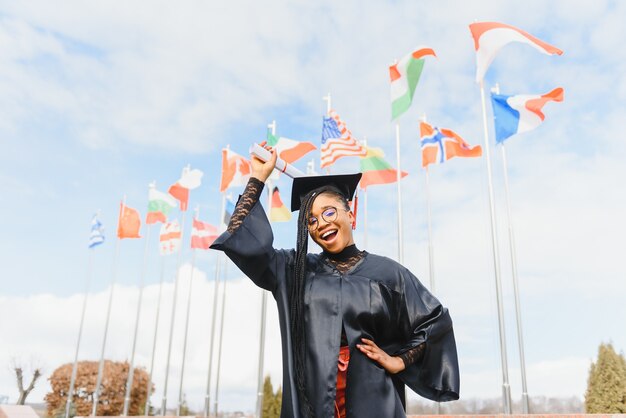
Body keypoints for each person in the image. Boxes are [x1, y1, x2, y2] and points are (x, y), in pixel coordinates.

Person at [211, 143, 459, 418]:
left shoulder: (388, 274)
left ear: (350, 215)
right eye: (312, 220)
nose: (322, 223)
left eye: (329, 212)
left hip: (375, 406)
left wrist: (399, 360)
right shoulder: (294, 270)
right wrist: (258, 177)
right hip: (313, 406)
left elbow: (435, 321)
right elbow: (243, 241)